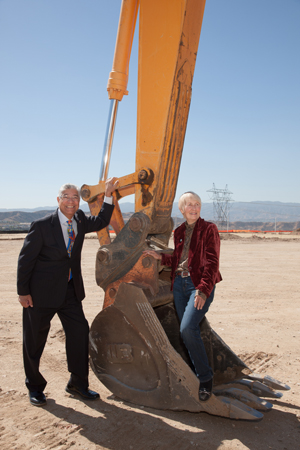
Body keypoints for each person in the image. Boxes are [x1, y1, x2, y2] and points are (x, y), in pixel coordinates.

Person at [17, 177, 119, 407]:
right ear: (58, 200)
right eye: (66, 197)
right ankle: (34, 387)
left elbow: (103, 220)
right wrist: (23, 292)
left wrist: (109, 194)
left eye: (75, 198)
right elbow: (25, 260)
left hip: (70, 292)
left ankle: (78, 383)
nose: (71, 202)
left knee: (80, 334)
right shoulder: (42, 225)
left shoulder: (80, 220)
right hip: (40, 295)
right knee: (34, 342)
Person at [144, 191, 222, 402]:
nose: (194, 208)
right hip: (179, 284)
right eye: (189, 205)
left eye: (197, 204)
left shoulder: (209, 229)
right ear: (182, 209)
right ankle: (194, 370)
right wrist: (159, 256)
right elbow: (177, 259)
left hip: (199, 285)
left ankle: (205, 378)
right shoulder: (178, 231)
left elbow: (212, 264)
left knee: (187, 328)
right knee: (187, 331)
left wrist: (203, 290)